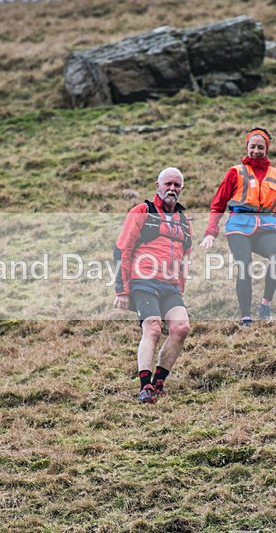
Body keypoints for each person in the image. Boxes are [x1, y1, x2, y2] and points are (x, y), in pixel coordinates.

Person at [199, 127, 276, 326]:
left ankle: (265, 305)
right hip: (238, 227)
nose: (256, 151)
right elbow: (218, 203)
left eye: (261, 147)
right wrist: (211, 232)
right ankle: (246, 317)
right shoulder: (235, 172)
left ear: (266, 149)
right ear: (247, 147)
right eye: (252, 146)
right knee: (245, 266)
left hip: (266, 225)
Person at [113, 167, 192, 403]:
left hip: (170, 286)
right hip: (143, 281)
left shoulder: (185, 221)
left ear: (182, 189)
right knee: (154, 328)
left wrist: (181, 285)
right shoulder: (141, 211)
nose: (172, 189)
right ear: (157, 186)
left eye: (177, 185)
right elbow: (121, 250)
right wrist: (122, 290)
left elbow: (186, 256)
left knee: (181, 328)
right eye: (168, 184)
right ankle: (145, 387)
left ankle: (159, 382)